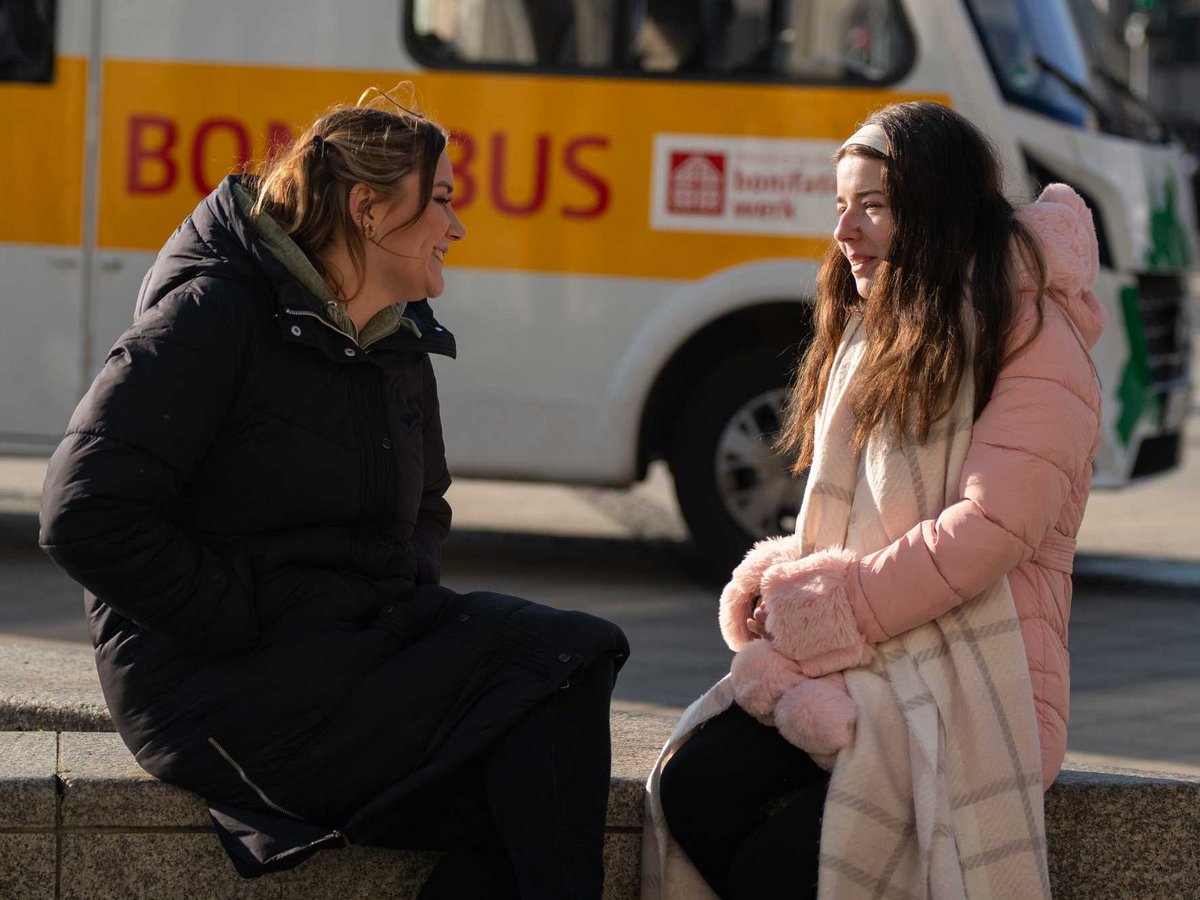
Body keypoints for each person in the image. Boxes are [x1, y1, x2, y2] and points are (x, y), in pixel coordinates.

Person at [39, 87, 628, 900]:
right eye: (444, 200)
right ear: (368, 211)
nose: (457, 227)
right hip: (217, 693)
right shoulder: (214, 315)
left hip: (344, 652)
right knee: (556, 683)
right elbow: (84, 512)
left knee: (560, 683)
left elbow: (428, 503)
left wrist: (399, 601)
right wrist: (240, 614)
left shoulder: (396, 339)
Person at [644, 101, 1105, 899]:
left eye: (875, 207)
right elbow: (853, 517)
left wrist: (832, 608)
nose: (845, 232)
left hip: (978, 681)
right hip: (866, 662)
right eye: (840, 207)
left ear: (935, 212)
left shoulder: (1032, 336)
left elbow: (990, 528)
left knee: (799, 863)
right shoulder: (882, 327)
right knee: (691, 784)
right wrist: (784, 579)